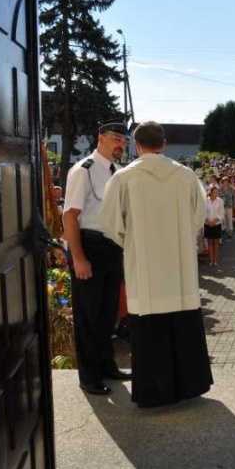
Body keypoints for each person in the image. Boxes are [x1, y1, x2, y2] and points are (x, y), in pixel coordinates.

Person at [100, 121, 213, 408]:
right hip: (180, 270)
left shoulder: (124, 178)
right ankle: (189, 386)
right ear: (163, 144)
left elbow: (111, 223)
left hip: (145, 269)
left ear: (137, 145)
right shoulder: (186, 176)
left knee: (150, 332)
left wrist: (134, 243)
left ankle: (154, 392)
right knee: (182, 326)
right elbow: (199, 217)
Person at [63, 120, 131, 396]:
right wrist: (78, 258)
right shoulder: (83, 171)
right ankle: (89, 377)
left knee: (107, 314)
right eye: (116, 138)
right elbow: (70, 216)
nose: (121, 144)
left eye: (124, 140)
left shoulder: (117, 172)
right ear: (100, 138)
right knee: (88, 316)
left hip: (111, 248)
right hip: (89, 247)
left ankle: (106, 365)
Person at [204, 185, 225, 267]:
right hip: (208, 223)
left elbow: (221, 213)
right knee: (209, 242)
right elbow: (204, 212)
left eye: (217, 192)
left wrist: (214, 221)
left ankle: (215, 261)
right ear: (211, 192)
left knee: (216, 242)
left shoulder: (220, 201)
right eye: (215, 192)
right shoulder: (206, 200)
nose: (217, 193)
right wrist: (208, 220)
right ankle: (211, 260)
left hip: (216, 224)